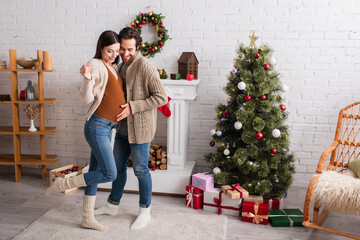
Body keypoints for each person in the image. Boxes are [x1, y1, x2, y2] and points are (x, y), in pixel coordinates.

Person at [45, 30, 126, 232]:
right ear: (101, 48)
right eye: (110, 51)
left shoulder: (113, 66)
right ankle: (65, 183)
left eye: (116, 51)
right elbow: (86, 98)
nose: (114, 54)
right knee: (110, 173)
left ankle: (87, 218)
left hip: (108, 127)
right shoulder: (96, 64)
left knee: (96, 171)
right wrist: (88, 79)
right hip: (97, 126)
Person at [94, 27, 168, 230]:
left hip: (141, 130)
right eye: (121, 50)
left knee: (141, 170)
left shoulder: (146, 67)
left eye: (129, 50)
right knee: (116, 170)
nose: (125, 54)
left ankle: (145, 211)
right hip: (121, 128)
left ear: (137, 47)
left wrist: (133, 107)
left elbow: (160, 97)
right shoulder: (120, 66)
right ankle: (112, 205)